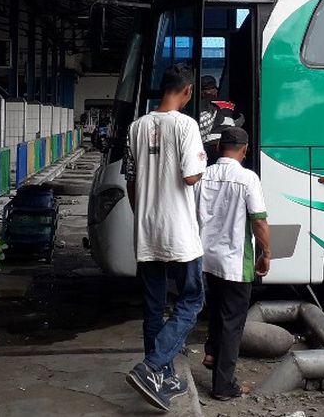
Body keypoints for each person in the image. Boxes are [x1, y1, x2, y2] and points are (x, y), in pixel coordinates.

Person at [122, 64, 207, 411]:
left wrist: (144, 215)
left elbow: (131, 181)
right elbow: (190, 177)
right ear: (186, 91)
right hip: (180, 233)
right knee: (192, 301)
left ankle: (162, 378)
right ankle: (152, 367)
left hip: (148, 232)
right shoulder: (186, 125)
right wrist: (203, 162)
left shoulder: (136, 127)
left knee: (153, 309)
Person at [194, 126, 271, 400]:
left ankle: (213, 353)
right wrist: (267, 253)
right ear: (245, 149)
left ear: (218, 148)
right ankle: (223, 386)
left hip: (206, 258)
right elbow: (259, 221)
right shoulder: (247, 178)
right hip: (235, 262)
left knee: (216, 310)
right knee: (232, 322)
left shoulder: (203, 175)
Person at [198, 75, 244, 164]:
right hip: (225, 147)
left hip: (206, 149)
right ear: (215, 90)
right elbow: (240, 120)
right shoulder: (224, 105)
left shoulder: (194, 106)